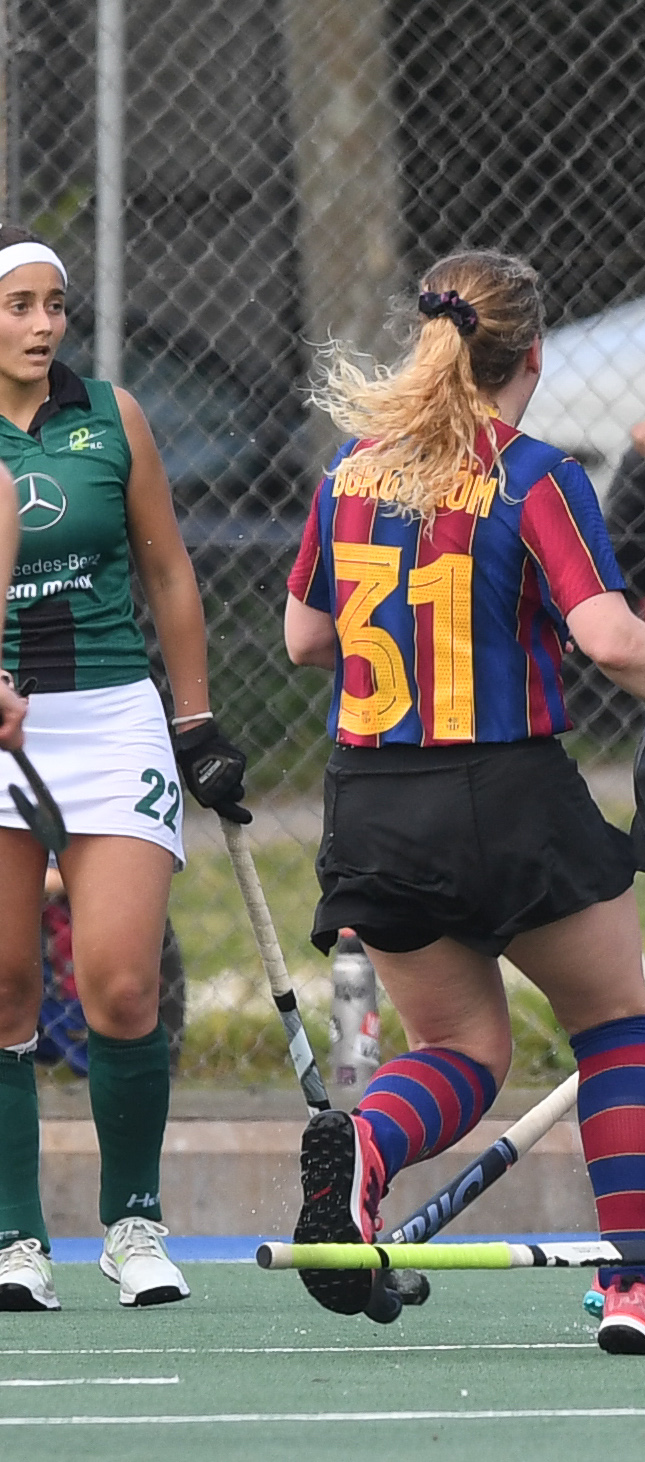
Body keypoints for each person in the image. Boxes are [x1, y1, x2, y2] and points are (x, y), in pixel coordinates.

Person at [283, 248, 645, 1355]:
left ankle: (368, 1152)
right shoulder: (533, 474)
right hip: (505, 785)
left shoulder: (350, 469)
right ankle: (641, 1292)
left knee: (460, 1051)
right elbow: (610, 634)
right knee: (619, 1032)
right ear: (535, 353)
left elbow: (303, 636)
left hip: (371, 799)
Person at [0, 228, 227, 1313]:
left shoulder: (111, 415)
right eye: (18, 306)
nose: (43, 325)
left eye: (54, 305)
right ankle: (14, 1238)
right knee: (3, 986)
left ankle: (135, 1225)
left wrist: (196, 721)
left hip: (109, 717)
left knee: (122, 983)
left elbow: (169, 574)